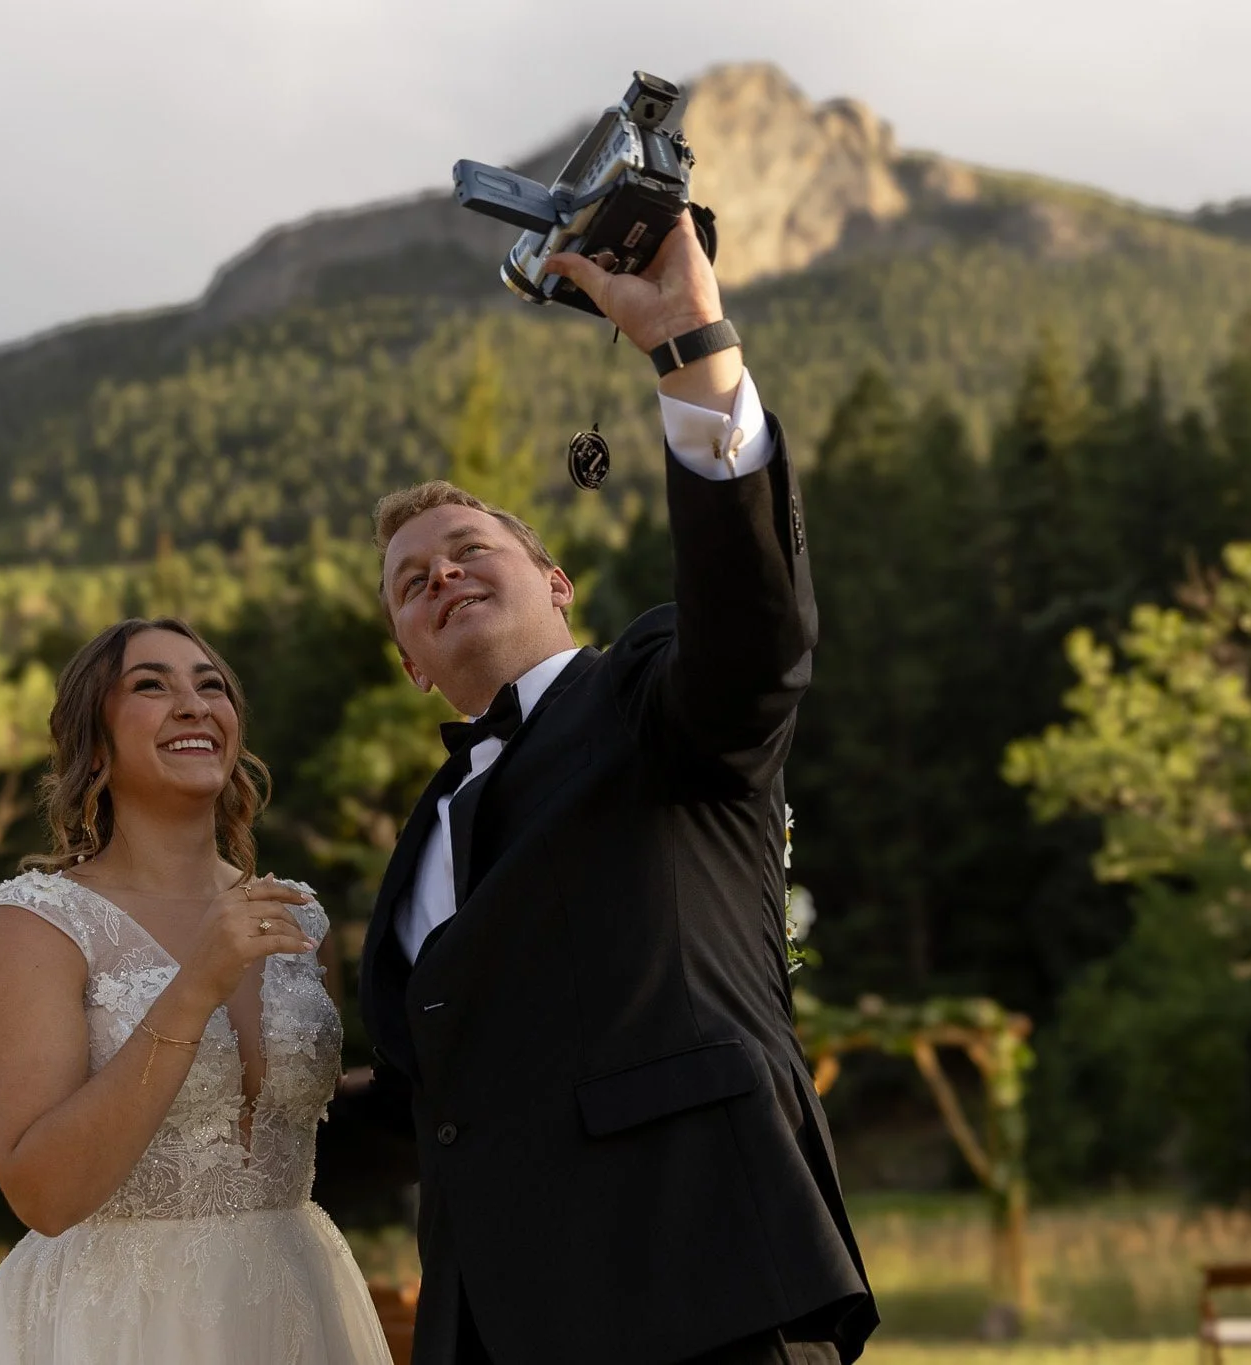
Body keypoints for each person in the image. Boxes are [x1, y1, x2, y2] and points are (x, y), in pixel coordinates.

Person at [350, 212, 878, 1364]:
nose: (440, 575)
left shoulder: (655, 697)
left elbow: (756, 631)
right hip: (488, 1329)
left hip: (705, 1285)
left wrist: (689, 345)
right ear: (407, 659)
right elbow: (426, 1101)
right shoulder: (418, 847)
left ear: (557, 584)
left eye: (469, 551)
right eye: (409, 582)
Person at [0, 618, 393, 1364]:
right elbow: (44, 1194)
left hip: (297, 1301)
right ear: (95, 744)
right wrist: (195, 985)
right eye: (151, 685)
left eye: (211, 685)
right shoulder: (32, 924)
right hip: (120, 1323)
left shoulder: (298, 917)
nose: (193, 703)